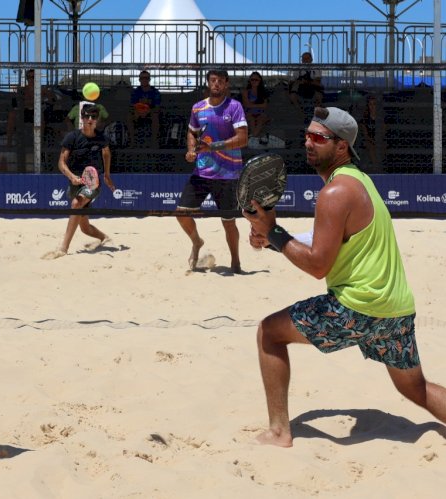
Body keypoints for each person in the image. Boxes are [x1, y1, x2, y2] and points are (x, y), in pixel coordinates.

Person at [243, 106, 446, 448]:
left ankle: (279, 432)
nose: (309, 142)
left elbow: (318, 264)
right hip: (395, 308)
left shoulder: (335, 193)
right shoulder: (360, 181)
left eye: (319, 138)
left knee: (270, 333)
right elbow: (325, 241)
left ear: (341, 146)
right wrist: (273, 235)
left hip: (357, 307)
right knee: (416, 388)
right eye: (306, 135)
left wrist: (273, 231)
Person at [179, 69, 248, 273]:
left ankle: (235, 261)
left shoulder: (234, 107)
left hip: (228, 174)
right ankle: (197, 241)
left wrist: (213, 147)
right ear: (208, 83)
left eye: (220, 81)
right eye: (212, 80)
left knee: (228, 222)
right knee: (181, 213)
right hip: (202, 172)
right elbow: (192, 131)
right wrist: (191, 149)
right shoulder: (198, 108)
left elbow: (243, 138)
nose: (216, 84)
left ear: (226, 84)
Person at [44, 105, 115, 259]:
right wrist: (71, 177)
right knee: (85, 227)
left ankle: (63, 248)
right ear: (82, 118)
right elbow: (61, 163)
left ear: (97, 120)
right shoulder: (72, 137)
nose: (90, 119)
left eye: (94, 117)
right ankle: (104, 238)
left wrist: (107, 175)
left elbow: (107, 153)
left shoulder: (102, 138)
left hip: (92, 182)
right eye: (87, 116)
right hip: (75, 180)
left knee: (76, 204)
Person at [6, 69, 57, 146]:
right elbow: (18, 102)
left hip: (37, 112)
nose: (31, 79)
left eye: (33, 77)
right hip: (24, 112)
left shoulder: (42, 89)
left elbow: (53, 99)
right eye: (29, 77)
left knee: (40, 117)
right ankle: (9, 142)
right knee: (11, 114)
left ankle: (38, 144)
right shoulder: (23, 89)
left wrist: (45, 98)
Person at [128, 70, 161, 147]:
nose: (144, 80)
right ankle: (132, 142)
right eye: (142, 78)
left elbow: (157, 107)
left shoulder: (155, 92)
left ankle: (154, 142)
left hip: (151, 113)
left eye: (146, 78)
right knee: (129, 117)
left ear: (149, 79)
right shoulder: (136, 92)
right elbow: (132, 105)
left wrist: (148, 111)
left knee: (155, 117)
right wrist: (138, 111)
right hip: (138, 113)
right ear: (139, 80)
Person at [360, 93, 387, 170]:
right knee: (370, 145)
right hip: (369, 141)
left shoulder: (381, 119)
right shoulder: (365, 119)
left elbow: (383, 132)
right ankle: (376, 166)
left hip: (379, 140)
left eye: (374, 104)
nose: (372, 107)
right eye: (370, 104)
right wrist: (372, 141)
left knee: (383, 145)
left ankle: (380, 165)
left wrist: (378, 140)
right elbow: (365, 135)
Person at [241, 71, 270, 140]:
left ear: (260, 81)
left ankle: (253, 137)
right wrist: (260, 105)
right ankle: (254, 137)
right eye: (252, 79)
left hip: (260, 113)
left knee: (260, 119)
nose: (254, 81)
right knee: (251, 119)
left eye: (256, 80)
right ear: (250, 81)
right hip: (249, 113)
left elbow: (265, 105)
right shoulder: (246, 91)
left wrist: (252, 104)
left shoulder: (263, 92)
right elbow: (246, 105)